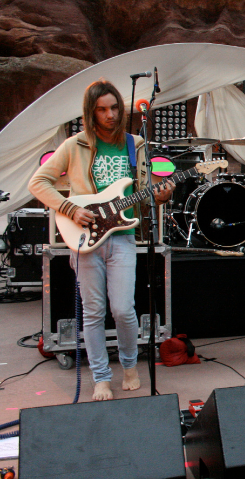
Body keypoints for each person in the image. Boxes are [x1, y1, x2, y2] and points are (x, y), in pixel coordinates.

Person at [29, 79, 173, 400]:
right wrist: (68, 207)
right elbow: (39, 182)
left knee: (123, 309)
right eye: (102, 109)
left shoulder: (135, 144)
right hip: (83, 237)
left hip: (121, 236)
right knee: (93, 312)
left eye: (114, 108)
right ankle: (101, 377)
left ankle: (130, 364)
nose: (110, 114)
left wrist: (161, 195)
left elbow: (147, 190)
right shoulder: (74, 145)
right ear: (90, 113)